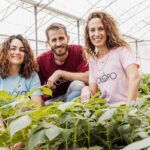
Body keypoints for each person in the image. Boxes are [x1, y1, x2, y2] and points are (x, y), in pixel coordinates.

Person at [81, 11, 140, 105]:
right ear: (88, 34)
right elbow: (93, 92)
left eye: (101, 29)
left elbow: (135, 78)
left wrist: (128, 110)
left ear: (108, 30)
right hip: (108, 112)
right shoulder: (92, 61)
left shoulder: (122, 51)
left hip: (128, 107)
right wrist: (85, 88)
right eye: (92, 30)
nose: (96, 34)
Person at [0, 34, 44, 148]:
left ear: (26, 54)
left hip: (24, 123)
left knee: (24, 106)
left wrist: (25, 137)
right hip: (3, 122)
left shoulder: (31, 76)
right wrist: (3, 134)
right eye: (13, 48)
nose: (17, 52)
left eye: (22, 50)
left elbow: (37, 107)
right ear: (6, 51)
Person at [37, 23, 88, 104]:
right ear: (48, 43)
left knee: (78, 85)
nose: (58, 43)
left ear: (67, 38)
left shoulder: (78, 51)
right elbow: (36, 91)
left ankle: (71, 113)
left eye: (61, 38)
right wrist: (47, 89)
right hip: (53, 100)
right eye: (54, 40)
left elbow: (89, 77)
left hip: (73, 95)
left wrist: (60, 73)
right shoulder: (41, 61)